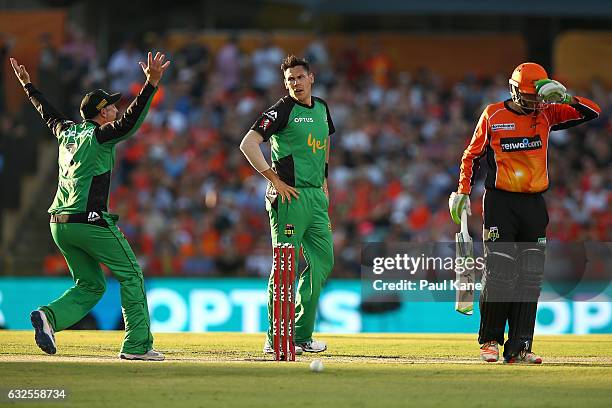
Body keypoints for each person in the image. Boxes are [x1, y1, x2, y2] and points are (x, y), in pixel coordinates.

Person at [10, 51, 171, 361]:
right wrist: (150, 85)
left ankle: (49, 317)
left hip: (59, 223)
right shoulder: (100, 136)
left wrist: (29, 87)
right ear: (102, 112)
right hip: (89, 221)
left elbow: (49, 114)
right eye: (111, 105)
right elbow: (130, 122)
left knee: (91, 285)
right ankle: (137, 346)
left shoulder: (67, 132)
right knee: (132, 275)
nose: (116, 108)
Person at [449, 62, 601, 364]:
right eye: (530, 97)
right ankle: (490, 341)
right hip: (500, 203)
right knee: (500, 273)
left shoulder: (547, 112)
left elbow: (593, 112)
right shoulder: (494, 114)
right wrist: (463, 191)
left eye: (539, 97)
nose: (535, 103)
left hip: (533, 203)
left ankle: (520, 346)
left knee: (530, 276)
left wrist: (565, 98)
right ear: (515, 90)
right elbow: (471, 155)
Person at [240, 55, 334, 354]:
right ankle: (275, 337)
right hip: (289, 197)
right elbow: (248, 144)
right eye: (289, 79)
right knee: (285, 269)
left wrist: (324, 179)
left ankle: (300, 334)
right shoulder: (282, 109)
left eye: (299, 77)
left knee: (323, 262)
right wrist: (274, 179)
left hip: (316, 198)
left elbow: (325, 142)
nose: (295, 83)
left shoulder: (321, 107)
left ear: (311, 78)